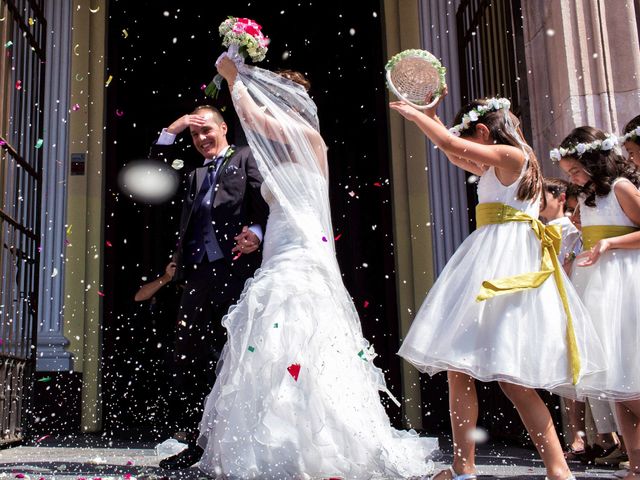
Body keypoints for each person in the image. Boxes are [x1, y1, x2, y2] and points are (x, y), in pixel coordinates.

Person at [193, 55, 438, 478]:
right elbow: (281, 203)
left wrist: (234, 77)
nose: (268, 107)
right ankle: (282, 440)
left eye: (275, 100)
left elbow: (252, 117)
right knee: (274, 340)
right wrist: (257, 235)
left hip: (302, 253)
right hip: (279, 247)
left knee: (299, 330)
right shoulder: (280, 152)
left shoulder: (306, 136)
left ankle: (321, 444)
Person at [390, 95, 605, 480]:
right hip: (496, 255)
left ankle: (550, 468)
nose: (473, 147)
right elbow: (455, 153)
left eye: (475, 137)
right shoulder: (506, 161)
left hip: (502, 263)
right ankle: (467, 466)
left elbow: (454, 146)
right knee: (466, 369)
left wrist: (416, 118)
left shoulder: (513, 155)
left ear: (485, 131)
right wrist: (432, 120)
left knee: (509, 377)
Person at [149, 105, 269, 469]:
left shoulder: (247, 157)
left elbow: (268, 201)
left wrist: (259, 233)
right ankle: (196, 443)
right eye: (195, 134)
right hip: (198, 278)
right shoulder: (193, 172)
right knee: (192, 357)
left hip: (237, 272)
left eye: (206, 131)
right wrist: (176, 125)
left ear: (224, 129)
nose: (201, 139)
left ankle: (239, 444)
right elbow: (154, 170)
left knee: (234, 356)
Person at [554, 126, 640, 480]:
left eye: (576, 171)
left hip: (624, 281)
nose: (573, 178)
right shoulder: (589, 199)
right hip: (597, 284)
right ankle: (636, 465)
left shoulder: (621, 187)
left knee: (630, 378)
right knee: (616, 383)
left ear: (595, 161)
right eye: (569, 174)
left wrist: (609, 244)